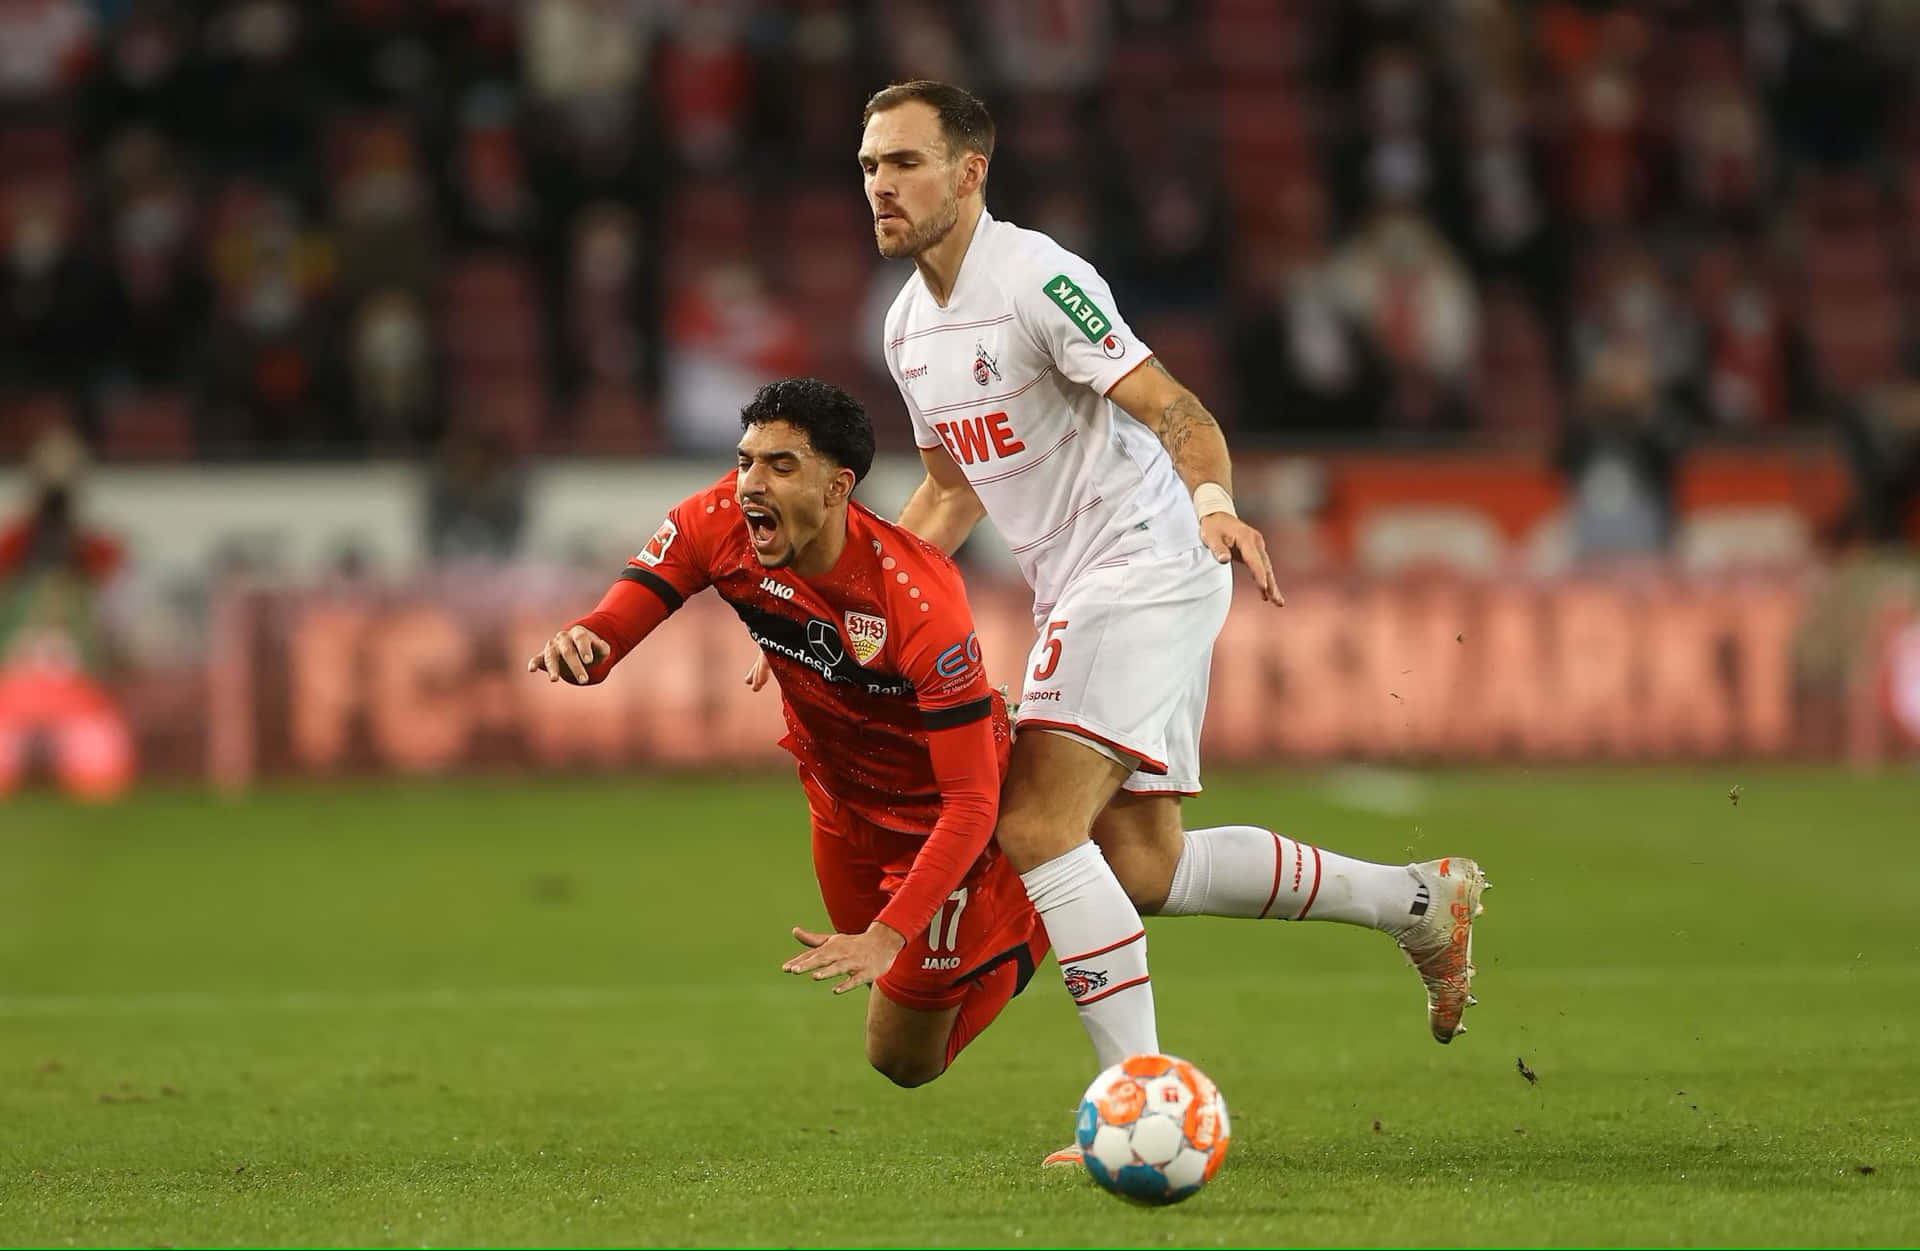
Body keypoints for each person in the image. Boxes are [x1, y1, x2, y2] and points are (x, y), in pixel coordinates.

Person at [850, 81, 1490, 1154]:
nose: (880, 183)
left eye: (905, 162)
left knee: (1037, 822)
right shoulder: (908, 327)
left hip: (1147, 559)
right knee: (1140, 864)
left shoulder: (1038, 280)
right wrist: (861, 610)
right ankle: (1420, 903)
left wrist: (1214, 505)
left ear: (971, 174)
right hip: (1083, 584)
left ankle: (1136, 1102)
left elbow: (1177, 408)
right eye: (870, 165)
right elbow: (952, 489)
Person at [528, 377, 1045, 1088]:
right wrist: (584, 643)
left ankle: (1028, 908)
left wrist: (890, 933)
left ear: (838, 487)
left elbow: (971, 801)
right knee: (893, 1041)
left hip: (941, 818)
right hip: (838, 804)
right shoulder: (715, 521)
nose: (749, 485)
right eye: (745, 460)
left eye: (780, 465)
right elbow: (613, 628)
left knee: (903, 1058)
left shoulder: (922, 604)